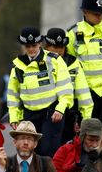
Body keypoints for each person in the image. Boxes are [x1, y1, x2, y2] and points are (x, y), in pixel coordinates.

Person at [7, 27, 73, 157]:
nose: (31, 49)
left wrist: (60, 109)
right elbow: (13, 95)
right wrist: (14, 117)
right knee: (29, 152)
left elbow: (65, 87)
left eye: (34, 45)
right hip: (30, 114)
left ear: (40, 44)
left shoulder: (54, 60)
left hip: (52, 113)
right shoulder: (18, 66)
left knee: (48, 150)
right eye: (27, 46)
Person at [44, 27, 94, 144]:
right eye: (55, 47)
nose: (59, 50)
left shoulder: (73, 63)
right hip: (45, 114)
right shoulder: (38, 62)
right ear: (47, 47)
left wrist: (85, 120)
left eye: (61, 47)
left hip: (68, 114)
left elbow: (83, 93)